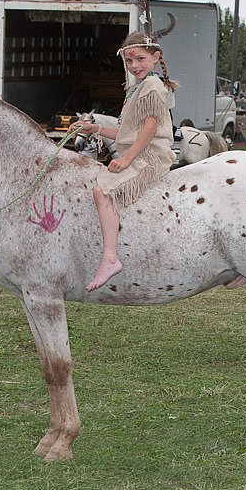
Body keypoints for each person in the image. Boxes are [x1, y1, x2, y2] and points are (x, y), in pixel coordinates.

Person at [69, 21, 177, 292]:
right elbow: (126, 131)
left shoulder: (152, 86)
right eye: (129, 60)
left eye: (140, 58)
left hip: (150, 157)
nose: (134, 65)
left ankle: (110, 258)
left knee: (102, 191)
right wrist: (94, 128)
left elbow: (150, 128)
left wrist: (127, 159)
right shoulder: (137, 87)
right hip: (139, 150)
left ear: (155, 57)